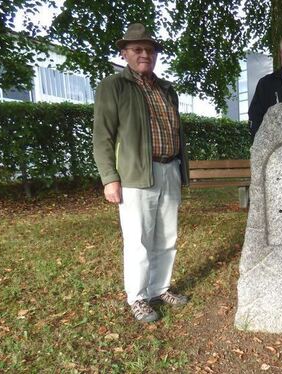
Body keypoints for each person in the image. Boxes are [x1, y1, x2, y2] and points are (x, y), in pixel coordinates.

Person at [93, 23, 190, 323]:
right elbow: (102, 137)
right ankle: (137, 297)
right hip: (136, 175)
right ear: (125, 53)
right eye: (137, 49)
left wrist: (181, 170)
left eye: (149, 49)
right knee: (138, 239)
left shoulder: (166, 89)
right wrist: (110, 177)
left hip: (169, 168)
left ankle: (160, 288)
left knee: (167, 237)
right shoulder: (114, 86)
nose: (145, 54)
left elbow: (175, 130)